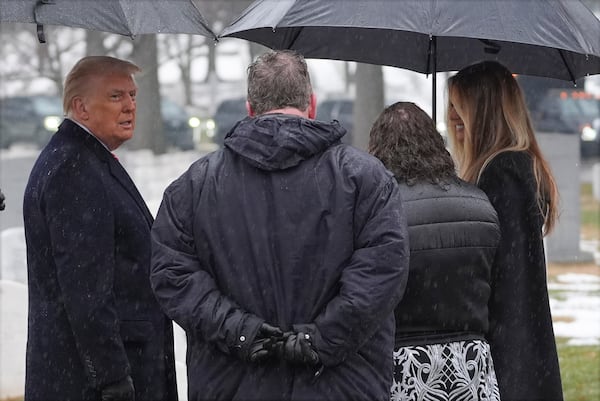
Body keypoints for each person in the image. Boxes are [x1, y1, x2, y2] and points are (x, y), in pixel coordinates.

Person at [150, 50, 410, 401]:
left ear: (250, 108)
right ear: (312, 104)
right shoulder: (366, 179)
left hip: (231, 385)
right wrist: (320, 340)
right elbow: (381, 274)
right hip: (341, 385)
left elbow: (173, 275)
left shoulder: (194, 186)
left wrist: (239, 330)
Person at [23, 56, 178, 401]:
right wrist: (111, 377)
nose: (130, 107)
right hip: (96, 383)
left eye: (133, 96)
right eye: (115, 96)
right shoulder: (74, 167)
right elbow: (85, 288)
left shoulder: (83, 158)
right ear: (81, 107)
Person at [446, 60, 563, 401]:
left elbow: (504, 277)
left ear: (483, 111)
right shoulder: (512, 166)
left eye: (460, 106)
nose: (452, 116)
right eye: (450, 106)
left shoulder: (503, 173)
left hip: (509, 353)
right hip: (520, 348)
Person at [368, 102, 502, 400]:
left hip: (404, 366)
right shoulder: (480, 204)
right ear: (435, 143)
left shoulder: (380, 212)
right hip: (472, 366)